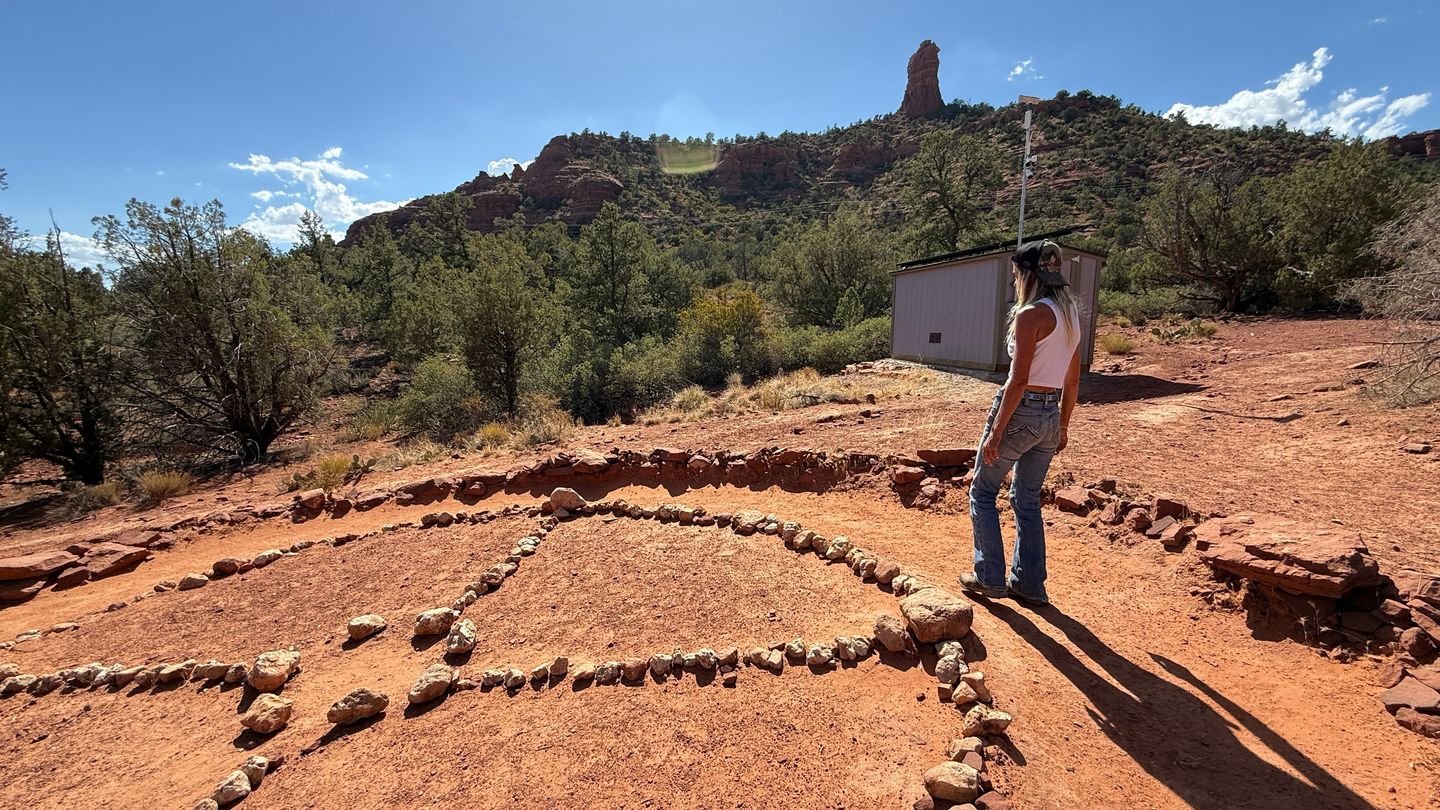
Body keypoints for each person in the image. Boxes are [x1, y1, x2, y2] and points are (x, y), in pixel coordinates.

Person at [959, 240, 1081, 606]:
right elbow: (1073, 380)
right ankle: (1029, 584)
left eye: (1016, 272)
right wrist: (1063, 424)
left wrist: (996, 431)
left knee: (982, 491)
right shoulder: (1071, 314)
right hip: (1050, 414)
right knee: (1026, 499)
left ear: (1028, 275)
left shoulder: (1030, 316)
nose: (1014, 277)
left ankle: (989, 577)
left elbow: (1019, 379)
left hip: (1021, 411)